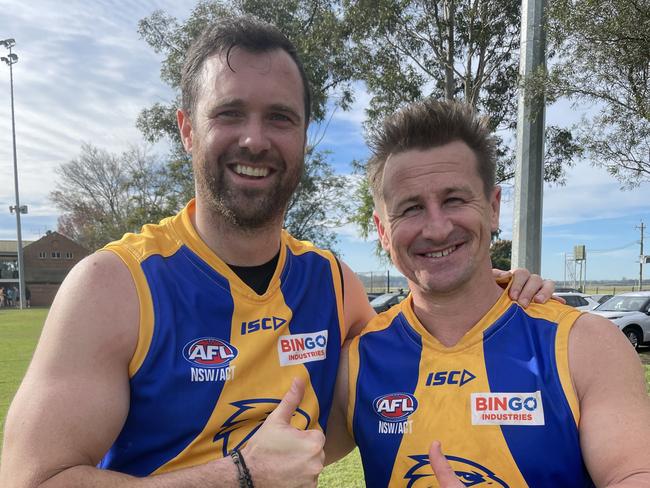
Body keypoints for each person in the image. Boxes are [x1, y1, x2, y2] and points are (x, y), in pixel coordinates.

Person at [0, 18, 552, 487]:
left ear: (305, 136)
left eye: (281, 118)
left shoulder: (333, 283)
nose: (256, 139)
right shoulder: (113, 285)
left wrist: (493, 287)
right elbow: (29, 480)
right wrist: (239, 474)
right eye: (230, 114)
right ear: (188, 130)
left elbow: (417, 348)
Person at [325, 99, 650, 487]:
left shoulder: (586, 345)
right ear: (382, 232)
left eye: (454, 200)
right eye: (411, 208)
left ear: (493, 208)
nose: (438, 228)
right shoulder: (356, 364)